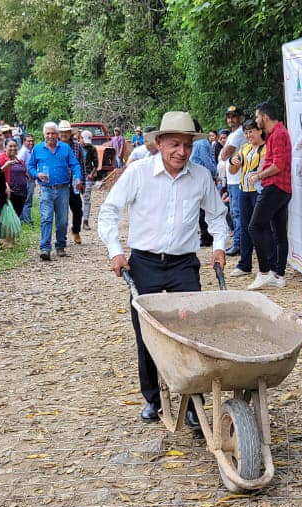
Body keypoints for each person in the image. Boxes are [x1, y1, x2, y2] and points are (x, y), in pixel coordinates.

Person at [96, 111, 228, 431]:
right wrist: (116, 252)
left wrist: (220, 245)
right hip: (145, 264)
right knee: (148, 334)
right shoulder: (139, 173)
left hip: (184, 264)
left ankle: (195, 402)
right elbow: (108, 212)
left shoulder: (199, 177)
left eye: (186, 145)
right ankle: (153, 399)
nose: (180, 152)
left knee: (190, 333)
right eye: (173, 144)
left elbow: (217, 217)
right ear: (158, 143)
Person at [245, 101, 293, 290]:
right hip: (282, 189)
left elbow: (278, 166)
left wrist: (258, 175)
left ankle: (264, 272)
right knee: (279, 234)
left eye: (257, 117)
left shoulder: (279, 134)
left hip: (275, 187)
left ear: (264, 116)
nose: (256, 120)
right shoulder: (276, 133)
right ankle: (279, 276)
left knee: (254, 227)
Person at [28, 121, 82, 260]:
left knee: (62, 220)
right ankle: (45, 248)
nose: (50, 136)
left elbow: (75, 164)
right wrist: (36, 174)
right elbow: (30, 166)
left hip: (63, 188)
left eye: (53, 133)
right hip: (46, 189)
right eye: (48, 133)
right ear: (44, 134)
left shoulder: (65, 148)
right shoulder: (38, 149)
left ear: (57, 134)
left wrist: (78, 178)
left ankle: (60, 245)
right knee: (46, 218)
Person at [227, 118, 265, 277]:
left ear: (260, 131)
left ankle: (266, 266)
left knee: (258, 228)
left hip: (259, 191)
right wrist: (232, 161)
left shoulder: (266, 148)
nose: (248, 135)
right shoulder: (244, 148)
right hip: (244, 190)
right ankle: (244, 264)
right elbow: (233, 170)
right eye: (246, 132)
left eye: (251, 131)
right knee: (244, 227)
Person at [220, 106, 248, 256]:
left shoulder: (238, 134)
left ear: (240, 118)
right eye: (229, 117)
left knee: (237, 213)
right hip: (232, 179)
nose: (231, 119)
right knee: (236, 212)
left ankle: (238, 243)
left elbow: (224, 155)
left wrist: (223, 153)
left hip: (237, 179)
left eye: (234, 117)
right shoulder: (232, 134)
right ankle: (241, 242)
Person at [58, 121, 87, 245]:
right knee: (61, 210)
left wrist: (83, 181)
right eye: (62, 132)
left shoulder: (76, 146)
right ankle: (61, 236)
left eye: (66, 131)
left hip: (74, 180)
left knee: (77, 208)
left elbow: (81, 164)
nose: (64, 134)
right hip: (60, 181)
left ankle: (76, 230)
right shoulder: (55, 146)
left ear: (70, 133)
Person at [80, 129, 99, 231]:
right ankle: (77, 220)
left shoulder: (92, 149)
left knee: (86, 199)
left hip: (88, 176)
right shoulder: (76, 147)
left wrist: (91, 174)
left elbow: (96, 164)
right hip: (77, 177)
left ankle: (86, 221)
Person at [16, 134, 36, 224]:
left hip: (30, 178)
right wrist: (26, 172)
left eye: (32, 141)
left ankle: (23, 219)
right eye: (28, 141)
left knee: (26, 199)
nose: (31, 143)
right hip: (26, 179)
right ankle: (27, 220)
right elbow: (19, 161)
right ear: (24, 142)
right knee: (27, 200)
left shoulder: (30, 151)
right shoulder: (23, 151)